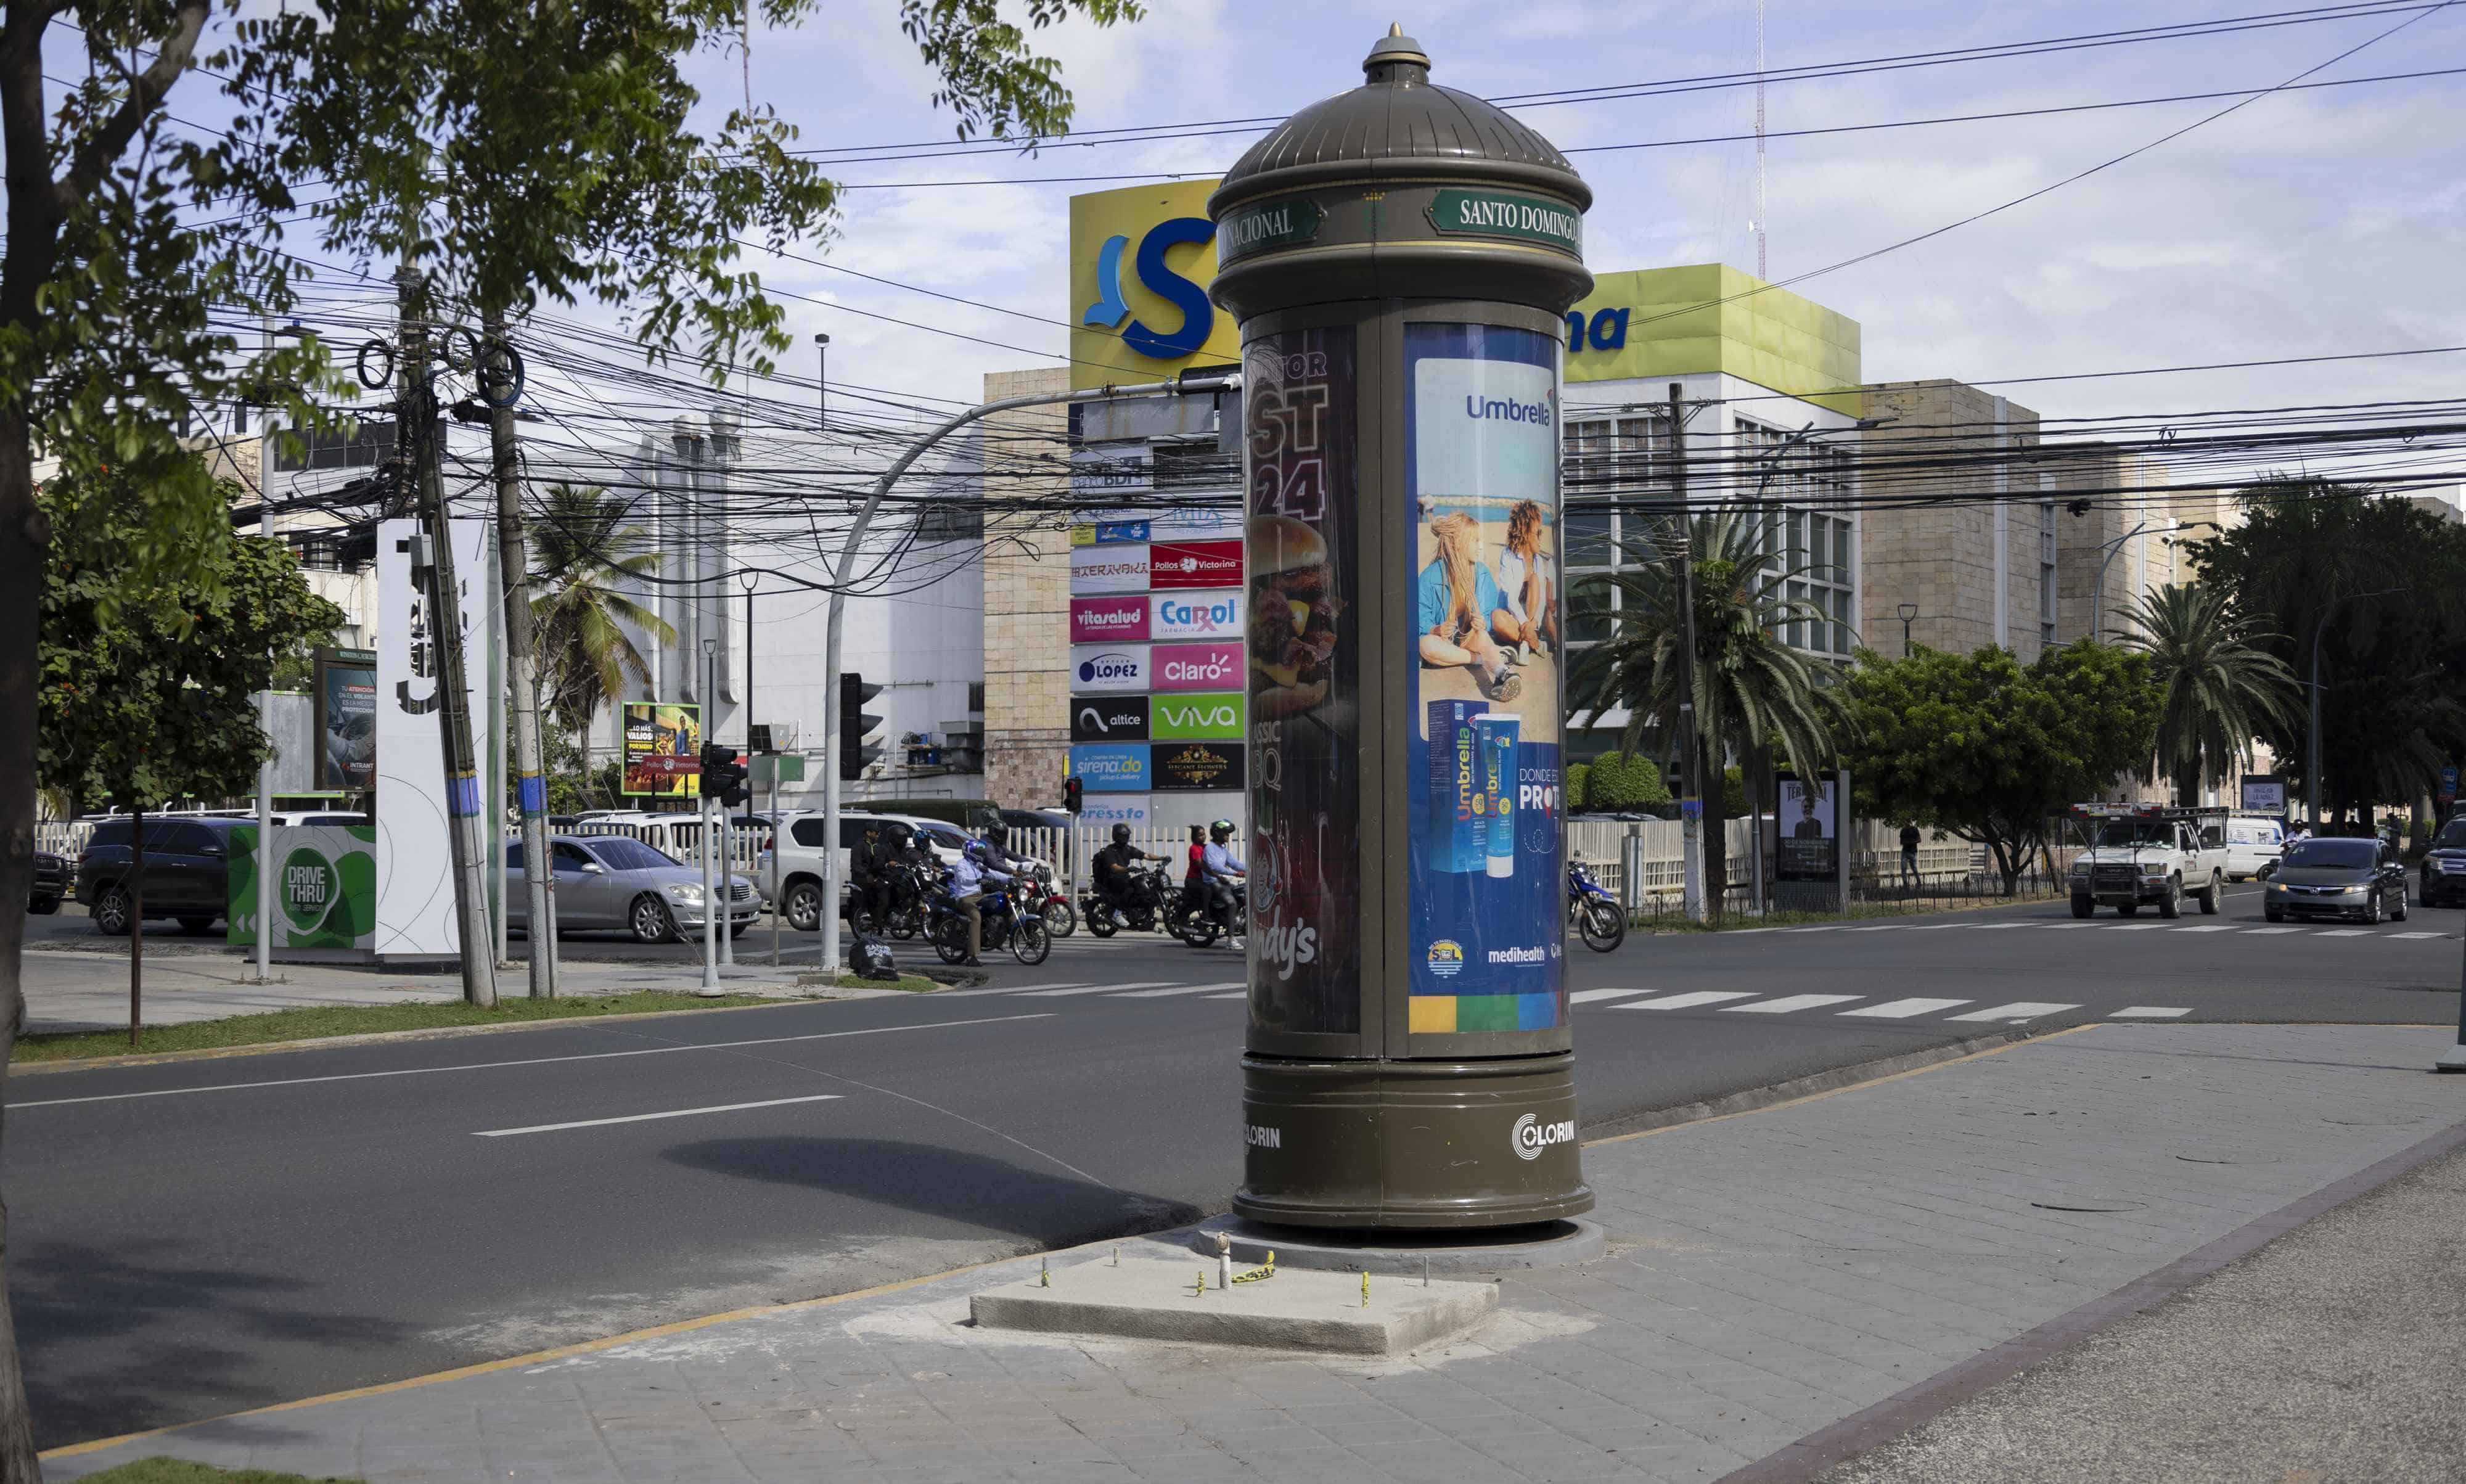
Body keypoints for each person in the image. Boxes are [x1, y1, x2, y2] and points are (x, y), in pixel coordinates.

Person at [1416, 510, 1522, 701]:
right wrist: (1436, 629)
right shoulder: (1429, 577)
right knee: (1425, 645)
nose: (1480, 547)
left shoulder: (1481, 573)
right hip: (1443, 642)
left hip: (1469, 638)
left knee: (1481, 634)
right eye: (1475, 541)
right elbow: (1419, 618)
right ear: (1458, 542)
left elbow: (1489, 614)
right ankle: (1483, 658)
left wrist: (1484, 623)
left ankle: (1502, 672)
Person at [1488, 499, 1558, 662]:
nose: (1541, 538)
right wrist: (1526, 625)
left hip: (1531, 623)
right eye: (1538, 533)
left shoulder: (1538, 561)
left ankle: (1527, 641)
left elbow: (1541, 600)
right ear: (1526, 533)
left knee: (1534, 579)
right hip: (1513, 620)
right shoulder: (1508, 556)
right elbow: (1511, 599)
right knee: (1497, 617)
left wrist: (1532, 625)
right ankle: (1533, 642)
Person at [948, 838, 1011, 967]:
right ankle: (972, 957)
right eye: (978, 851)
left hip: (979, 895)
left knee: (1002, 904)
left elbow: (993, 874)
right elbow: (963, 879)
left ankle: (996, 936)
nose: (980, 853)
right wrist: (978, 880)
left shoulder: (977, 865)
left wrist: (1012, 878)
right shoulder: (962, 864)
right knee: (976, 918)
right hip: (965, 897)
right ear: (970, 851)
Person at [1092, 823, 1156, 925]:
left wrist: (1162, 858)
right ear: (1117, 836)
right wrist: (1128, 869)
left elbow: (1146, 855)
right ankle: (1117, 914)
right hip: (1111, 880)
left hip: (1123, 878)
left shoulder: (1128, 849)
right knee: (1130, 889)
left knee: (1140, 886)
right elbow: (1114, 867)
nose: (1126, 838)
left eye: (1127, 836)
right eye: (1123, 836)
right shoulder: (1109, 851)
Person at [1200, 818, 1247, 946]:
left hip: (1223, 882)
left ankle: (1235, 923)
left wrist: (1253, 869)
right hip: (1213, 882)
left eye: (1228, 833)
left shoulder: (1223, 850)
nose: (1228, 835)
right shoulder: (1210, 848)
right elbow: (1214, 866)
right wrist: (1234, 873)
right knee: (1232, 903)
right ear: (1217, 833)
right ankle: (1231, 939)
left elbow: (1235, 864)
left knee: (1241, 895)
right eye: (1225, 833)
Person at [849, 818, 895, 932]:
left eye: (879, 833)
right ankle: (875, 924)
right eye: (876, 833)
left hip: (877, 876)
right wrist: (867, 874)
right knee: (881, 897)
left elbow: (890, 859)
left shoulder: (880, 847)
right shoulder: (859, 847)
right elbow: (857, 866)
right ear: (869, 833)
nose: (878, 835)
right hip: (862, 878)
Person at [1899, 822, 1922, 888]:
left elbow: (1919, 840)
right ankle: (1905, 883)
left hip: (1913, 851)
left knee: (1914, 868)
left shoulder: (1914, 829)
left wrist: (1911, 843)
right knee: (1903, 868)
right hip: (1905, 851)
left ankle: (1919, 882)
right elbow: (1901, 842)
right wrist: (1906, 843)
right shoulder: (1903, 830)